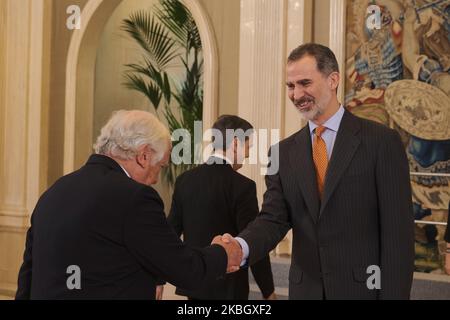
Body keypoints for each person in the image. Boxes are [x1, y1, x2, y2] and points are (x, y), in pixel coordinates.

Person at [220, 43, 415, 300]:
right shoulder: (281, 153)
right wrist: (239, 246)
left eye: (305, 83)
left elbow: (398, 236)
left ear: (333, 79)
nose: (296, 94)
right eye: (290, 86)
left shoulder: (381, 142)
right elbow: (272, 220)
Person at [15, 110, 242, 300]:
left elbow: (27, 278)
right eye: (160, 166)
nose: (154, 179)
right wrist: (222, 254)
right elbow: (182, 268)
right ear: (143, 155)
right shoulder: (135, 198)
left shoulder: (53, 192)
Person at [167, 115, 276, 300]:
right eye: (248, 147)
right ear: (235, 143)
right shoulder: (243, 186)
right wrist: (268, 290)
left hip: (194, 284)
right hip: (229, 289)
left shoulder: (185, 180)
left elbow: (169, 234)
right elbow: (254, 240)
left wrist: (158, 279)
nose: (248, 154)